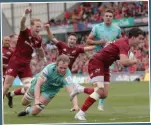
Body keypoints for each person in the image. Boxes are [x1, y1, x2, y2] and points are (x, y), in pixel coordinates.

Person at [70, 27, 145, 120]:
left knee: (103, 94)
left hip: (105, 66)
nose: (141, 41)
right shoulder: (124, 43)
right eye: (140, 38)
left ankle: (80, 89)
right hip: (97, 62)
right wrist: (135, 61)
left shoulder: (126, 45)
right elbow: (124, 62)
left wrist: (131, 61)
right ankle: (80, 114)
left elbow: (124, 64)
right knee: (100, 90)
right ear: (133, 37)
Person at [44, 24, 95, 111]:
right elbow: (51, 38)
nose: (72, 40)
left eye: (74, 39)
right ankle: (37, 100)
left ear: (76, 41)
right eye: (71, 39)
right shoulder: (61, 45)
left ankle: (75, 106)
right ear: (68, 39)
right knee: (46, 87)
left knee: (71, 88)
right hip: (55, 71)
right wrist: (48, 29)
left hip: (66, 73)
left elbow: (89, 48)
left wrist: (99, 44)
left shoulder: (77, 49)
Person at [4, 8, 46, 108]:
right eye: (37, 26)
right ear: (31, 26)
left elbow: (39, 49)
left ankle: (21, 103)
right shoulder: (25, 32)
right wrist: (24, 15)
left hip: (25, 65)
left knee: (30, 88)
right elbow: (22, 23)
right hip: (15, 62)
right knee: (7, 85)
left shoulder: (38, 39)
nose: (39, 28)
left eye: (40, 27)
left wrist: (43, 58)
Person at [86, 8, 121, 111]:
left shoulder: (117, 29)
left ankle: (101, 103)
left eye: (110, 16)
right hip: (98, 58)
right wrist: (99, 42)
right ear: (103, 17)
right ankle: (81, 91)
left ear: (113, 18)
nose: (108, 18)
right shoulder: (97, 27)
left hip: (109, 59)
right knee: (99, 86)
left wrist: (118, 57)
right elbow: (88, 40)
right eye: (106, 16)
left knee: (104, 85)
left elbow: (120, 42)